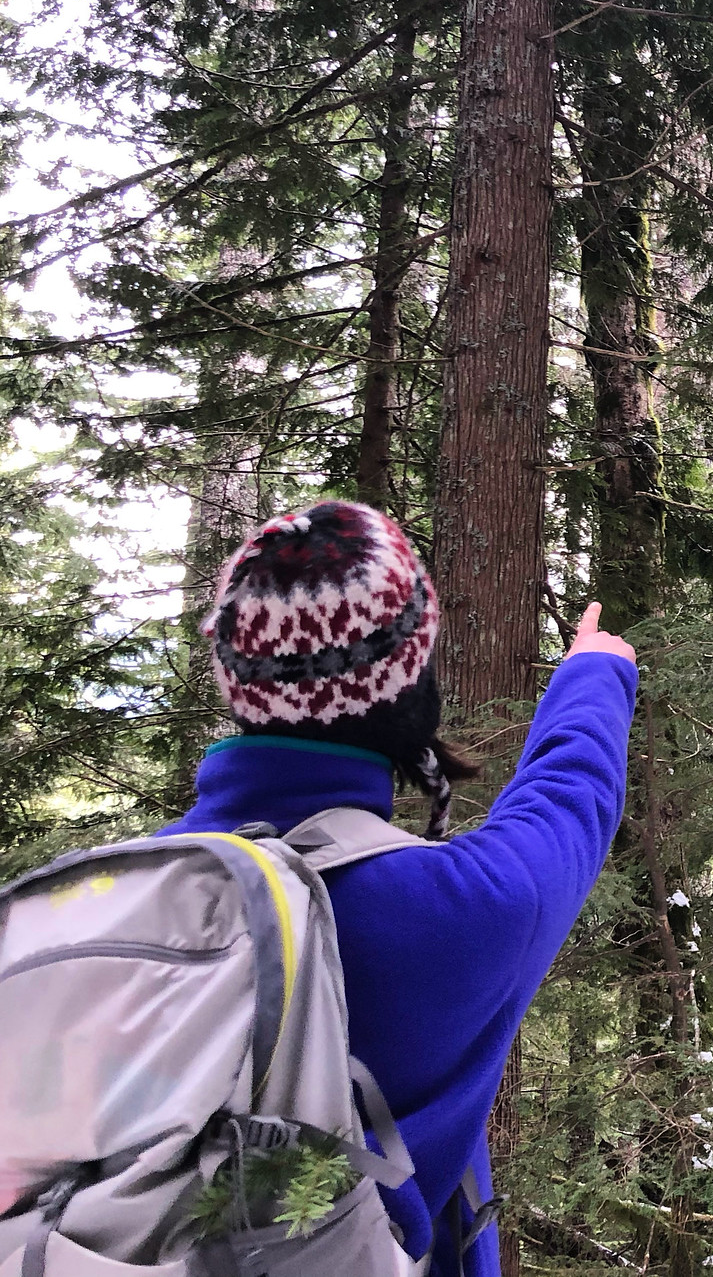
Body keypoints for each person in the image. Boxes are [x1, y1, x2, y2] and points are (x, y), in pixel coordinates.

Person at [165, 500, 637, 1276]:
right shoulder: (451, 913)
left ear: (234, 680)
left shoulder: (106, 899)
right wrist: (596, 672)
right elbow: (567, 801)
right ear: (407, 683)